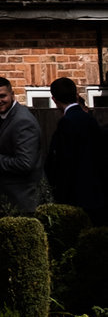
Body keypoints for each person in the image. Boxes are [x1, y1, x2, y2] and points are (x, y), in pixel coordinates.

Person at [45, 75, 107, 223]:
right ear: (76, 95)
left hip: (76, 194)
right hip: (97, 192)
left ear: (54, 100)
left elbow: (63, 162)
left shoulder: (67, 123)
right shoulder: (90, 120)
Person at [0, 76, 46, 216]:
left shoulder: (22, 121)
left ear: (12, 94)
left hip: (22, 203)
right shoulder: (7, 116)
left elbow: (24, 163)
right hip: (12, 201)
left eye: (2, 96)